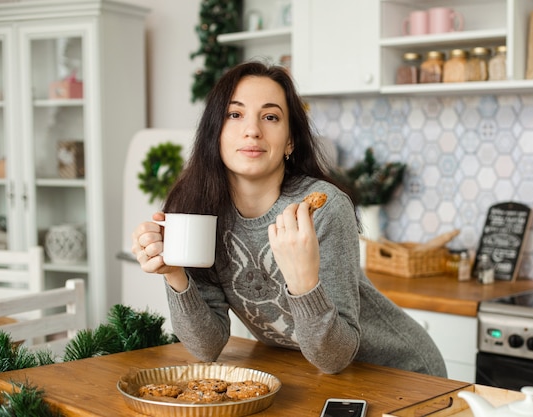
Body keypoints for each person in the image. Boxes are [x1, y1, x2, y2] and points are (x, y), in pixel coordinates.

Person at [132, 61, 447, 377]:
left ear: (290, 141)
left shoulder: (322, 208)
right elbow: (207, 346)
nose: (252, 130)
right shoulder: (199, 208)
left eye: (270, 117)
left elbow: (334, 358)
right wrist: (175, 275)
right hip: (326, 381)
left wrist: (303, 281)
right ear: (215, 132)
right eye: (235, 114)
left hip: (402, 373)